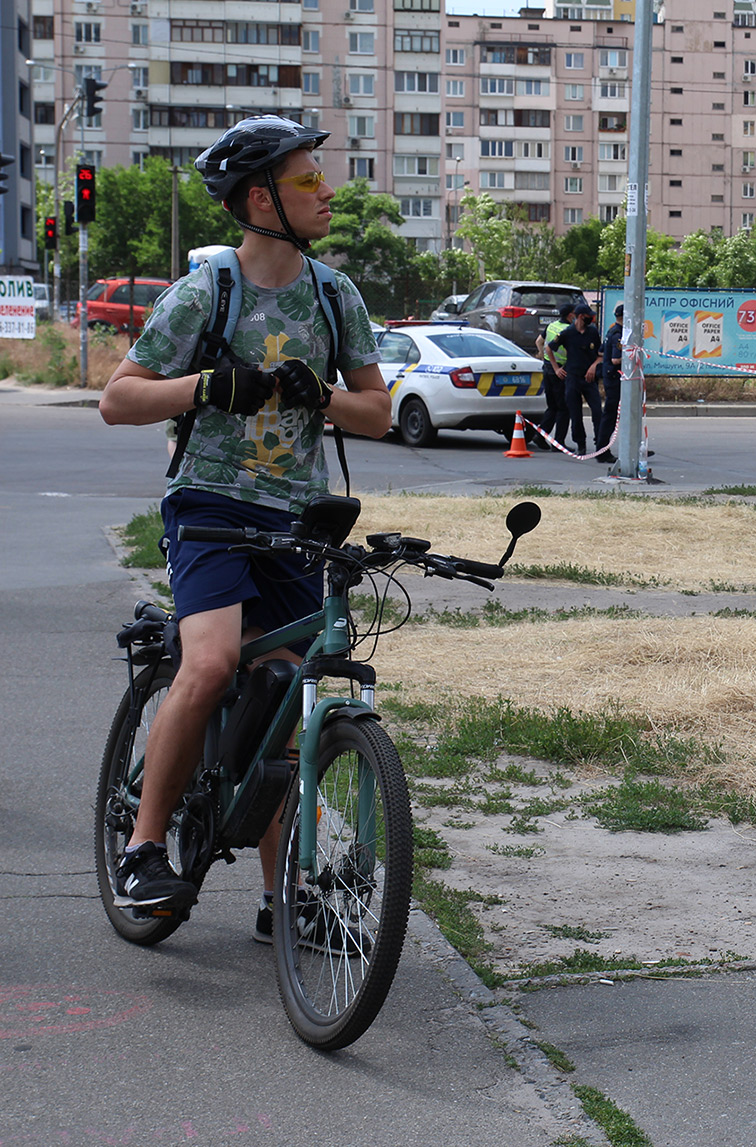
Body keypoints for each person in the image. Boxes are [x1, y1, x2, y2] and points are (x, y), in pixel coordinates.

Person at [97, 116, 391, 939]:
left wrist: (318, 394)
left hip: (293, 517)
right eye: (307, 180)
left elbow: (376, 413)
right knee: (217, 660)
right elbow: (119, 398)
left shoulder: (335, 295)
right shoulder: (206, 290)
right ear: (261, 197)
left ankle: (286, 894)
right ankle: (144, 846)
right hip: (211, 505)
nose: (327, 191)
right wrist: (209, 388)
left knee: (285, 702)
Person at [548, 303, 603, 455]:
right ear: (580, 317)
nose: (590, 319)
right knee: (575, 413)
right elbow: (549, 348)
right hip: (572, 377)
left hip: (589, 378)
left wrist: (594, 366)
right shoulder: (568, 333)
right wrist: (556, 368)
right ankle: (581, 443)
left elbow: (600, 355)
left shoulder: (592, 332)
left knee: (597, 411)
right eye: (587, 317)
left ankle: (601, 442)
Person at [534, 301, 577, 449]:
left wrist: (541, 354)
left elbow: (539, 341)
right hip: (561, 371)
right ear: (571, 315)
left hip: (547, 368)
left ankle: (540, 436)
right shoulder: (570, 330)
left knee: (552, 407)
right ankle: (559, 443)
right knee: (563, 408)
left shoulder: (552, 326)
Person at [595, 303, 625, 464]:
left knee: (619, 415)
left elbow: (601, 350)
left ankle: (633, 448)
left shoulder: (612, 330)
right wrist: (631, 356)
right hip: (614, 378)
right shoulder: (618, 334)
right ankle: (602, 451)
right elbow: (615, 359)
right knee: (611, 415)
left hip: (611, 378)